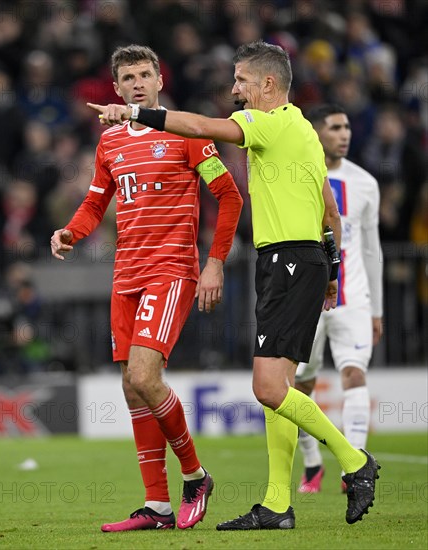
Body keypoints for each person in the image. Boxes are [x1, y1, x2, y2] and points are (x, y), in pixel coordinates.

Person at [89, 40, 381, 530]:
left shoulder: (262, 123)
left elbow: (202, 127)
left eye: (242, 80)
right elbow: (330, 208)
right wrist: (329, 268)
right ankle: (276, 504)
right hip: (297, 260)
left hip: (287, 259)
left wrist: (135, 114)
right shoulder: (305, 132)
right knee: (278, 388)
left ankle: (355, 461)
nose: (234, 89)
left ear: (268, 84)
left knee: (268, 388)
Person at [51, 44, 243, 531]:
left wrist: (215, 262)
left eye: (144, 74)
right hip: (126, 274)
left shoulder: (186, 132)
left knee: (143, 376)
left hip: (172, 269)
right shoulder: (110, 142)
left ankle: (195, 476)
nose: (137, 83)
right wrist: (71, 232)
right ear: (116, 89)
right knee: (131, 388)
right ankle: (156, 505)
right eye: (128, 78)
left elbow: (229, 196)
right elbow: (96, 203)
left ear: (159, 80)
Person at [295, 104, 383, 493]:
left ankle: (356, 465)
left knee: (354, 373)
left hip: (353, 298)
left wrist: (377, 309)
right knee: (300, 385)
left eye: (347, 126)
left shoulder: (365, 183)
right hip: (306, 301)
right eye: (334, 127)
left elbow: (371, 249)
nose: (344, 133)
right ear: (316, 133)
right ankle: (312, 463)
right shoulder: (296, 175)